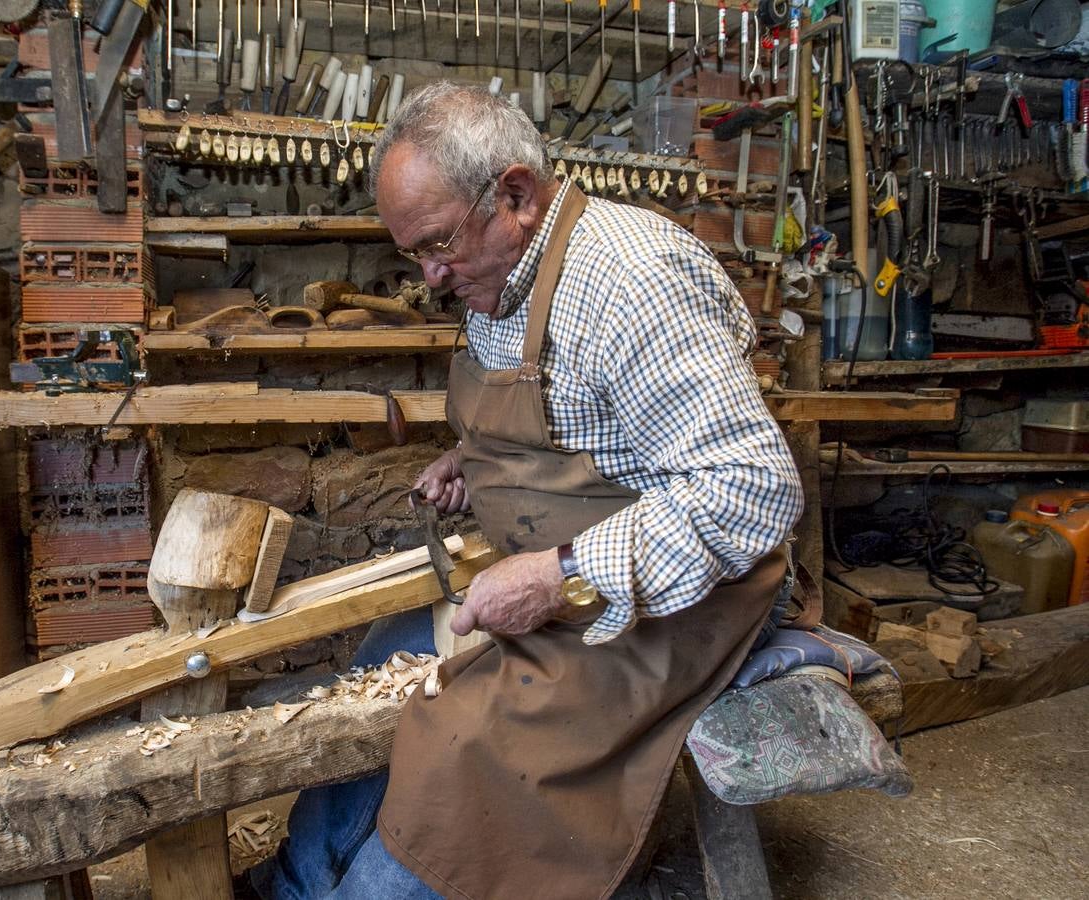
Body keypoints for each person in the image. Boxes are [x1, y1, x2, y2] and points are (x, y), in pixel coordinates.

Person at [251, 82, 804, 900]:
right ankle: (295, 885)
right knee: (379, 662)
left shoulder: (630, 279)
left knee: (463, 743)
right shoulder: (502, 274)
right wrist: (470, 459)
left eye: (439, 245)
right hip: (555, 569)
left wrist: (558, 574)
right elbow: (571, 425)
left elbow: (752, 489)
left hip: (673, 601)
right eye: (413, 254)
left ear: (513, 194)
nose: (431, 276)